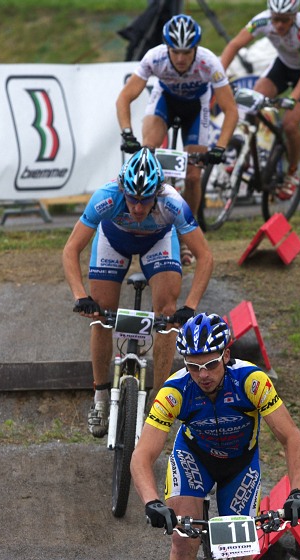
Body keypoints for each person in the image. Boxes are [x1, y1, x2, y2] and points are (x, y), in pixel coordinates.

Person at [130, 312, 300, 560]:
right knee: (183, 540)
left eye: (211, 364)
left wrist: (299, 491)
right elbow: (142, 455)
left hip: (239, 466)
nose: (203, 375)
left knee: (242, 555)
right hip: (193, 459)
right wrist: (151, 502)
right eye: (193, 367)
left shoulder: (252, 382)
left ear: (227, 354)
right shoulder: (174, 391)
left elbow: (291, 437)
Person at [63, 148, 213, 438]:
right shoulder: (107, 196)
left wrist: (190, 306)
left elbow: (205, 257)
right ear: (122, 190)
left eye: (145, 199)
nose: (138, 207)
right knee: (101, 314)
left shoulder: (172, 202)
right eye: (132, 198)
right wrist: (80, 296)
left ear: (157, 193)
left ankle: (161, 403)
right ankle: (100, 397)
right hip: (113, 241)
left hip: (157, 243)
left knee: (168, 316)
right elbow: (70, 250)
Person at [116, 13, 239, 266]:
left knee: (193, 175)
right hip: (165, 101)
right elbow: (125, 97)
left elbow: (231, 110)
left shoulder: (209, 63)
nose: (181, 58)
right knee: (147, 156)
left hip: (197, 106)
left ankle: (186, 233)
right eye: (176, 52)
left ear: (196, 49)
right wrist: (127, 134)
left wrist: (220, 147)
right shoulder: (155, 58)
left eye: (187, 52)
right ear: (167, 48)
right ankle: (147, 221)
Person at [220, 0, 300, 200]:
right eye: (275, 20)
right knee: (252, 102)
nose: (279, 25)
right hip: (283, 66)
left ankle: (292, 172)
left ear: (294, 16)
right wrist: (218, 77)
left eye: (284, 20)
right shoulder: (262, 21)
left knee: (290, 125)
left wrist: (292, 99)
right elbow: (234, 45)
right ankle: (246, 157)